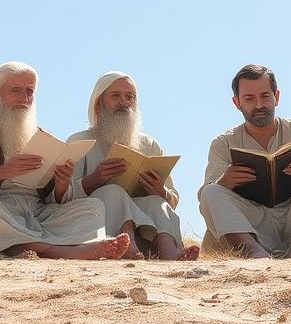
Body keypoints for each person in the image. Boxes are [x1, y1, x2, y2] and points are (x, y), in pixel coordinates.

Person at [0, 62, 130, 259]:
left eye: (30, 91)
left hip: (37, 215)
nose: (24, 98)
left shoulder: (43, 137)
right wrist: (3, 171)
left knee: (92, 206)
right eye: (16, 90)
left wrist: (61, 184)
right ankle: (51, 249)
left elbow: (54, 199)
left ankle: (27, 244)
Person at [199, 64, 291, 258]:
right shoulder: (223, 143)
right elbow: (205, 197)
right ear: (237, 102)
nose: (259, 105)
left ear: (276, 97)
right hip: (251, 223)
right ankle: (255, 253)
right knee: (211, 191)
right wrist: (224, 182)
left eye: (265, 96)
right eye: (249, 98)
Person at [62, 71, 198, 261]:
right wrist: (94, 180)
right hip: (96, 222)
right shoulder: (79, 141)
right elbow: (62, 196)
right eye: (115, 96)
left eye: (129, 97)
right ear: (98, 105)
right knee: (113, 192)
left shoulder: (149, 145)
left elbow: (172, 199)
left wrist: (160, 190)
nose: (124, 102)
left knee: (156, 202)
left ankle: (170, 254)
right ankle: (127, 247)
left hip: (145, 229)